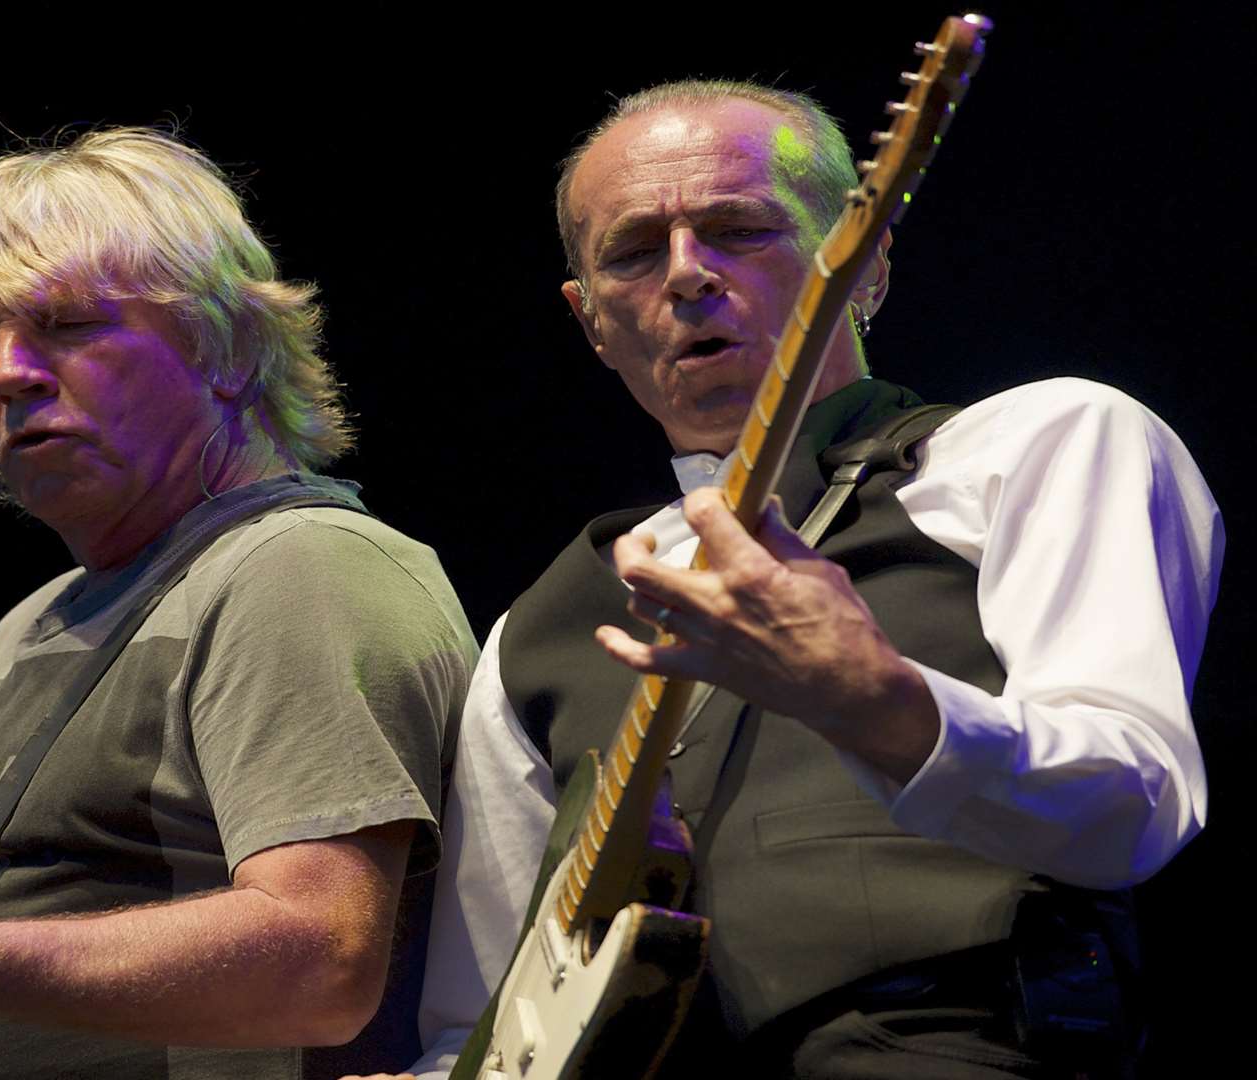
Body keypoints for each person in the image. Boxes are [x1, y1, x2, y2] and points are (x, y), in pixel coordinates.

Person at [402, 81, 1221, 1078]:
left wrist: (876, 698)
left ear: (867, 263)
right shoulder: (541, 626)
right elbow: (482, 1021)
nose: (688, 274)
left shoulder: (1038, 443)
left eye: (739, 230)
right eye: (633, 251)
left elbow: (1129, 803)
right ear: (591, 322)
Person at [0, 127, 478, 1079]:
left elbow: (321, 961)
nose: (8, 373)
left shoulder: (301, 565)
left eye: (67, 324)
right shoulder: (24, 629)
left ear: (227, 347)